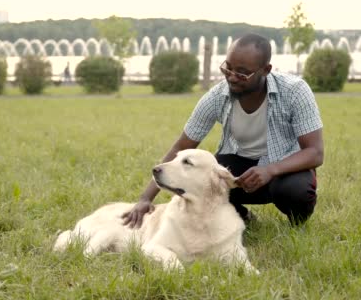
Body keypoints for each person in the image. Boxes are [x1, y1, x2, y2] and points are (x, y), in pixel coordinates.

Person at [122, 33, 324, 228]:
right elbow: (183, 145)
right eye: (228, 68)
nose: (232, 77)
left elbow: (315, 153)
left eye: (242, 73)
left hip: (283, 168)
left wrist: (270, 170)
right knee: (205, 175)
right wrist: (144, 199)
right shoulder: (217, 96)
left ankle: (298, 223)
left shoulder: (295, 91)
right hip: (240, 167)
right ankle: (240, 214)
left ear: (266, 70)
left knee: (296, 190)